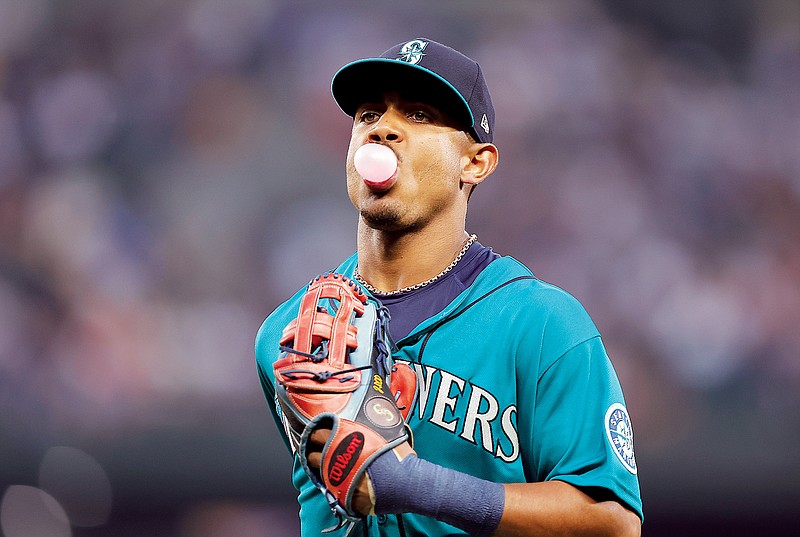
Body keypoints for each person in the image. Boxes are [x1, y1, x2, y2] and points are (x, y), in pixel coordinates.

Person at [256, 38, 643, 536]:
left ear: (476, 162)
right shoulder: (287, 335)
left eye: (418, 115)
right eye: (368, 114)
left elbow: (613, 525)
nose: (384, 128)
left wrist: (418, 486)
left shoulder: (542, 325)